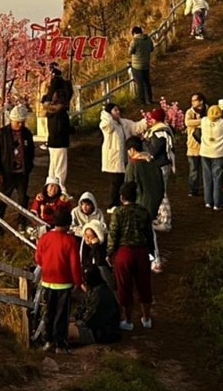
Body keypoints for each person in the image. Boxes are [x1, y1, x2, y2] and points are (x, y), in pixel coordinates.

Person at [107, 181, 156, 330]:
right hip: (141, 251)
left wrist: (110, 252)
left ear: (122, 197)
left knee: (124, 287)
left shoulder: (118, 213)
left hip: (124, 252)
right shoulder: (143, 211)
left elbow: (113, 234)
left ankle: (128, 321)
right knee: (144, 285)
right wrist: (151, 252)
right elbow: (149, 234)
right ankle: (146, 318)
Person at [34, 206, 83, 353]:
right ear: (68, 224)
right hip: (64, 283)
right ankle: (60, 344)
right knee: (62, 315)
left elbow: (38, 258)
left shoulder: (45, 238)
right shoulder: (70, 241)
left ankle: (48, 341)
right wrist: (77, 282)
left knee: (49, 312)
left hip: (48, 281)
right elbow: (75, 264)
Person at [0, 105, 35, 238]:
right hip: (6, 173)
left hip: (22, 173)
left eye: (22, 122)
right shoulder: (1, 134)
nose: (19, 124)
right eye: (17, 122)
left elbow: (31, 152)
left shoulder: (27, 134)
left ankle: (21, 222)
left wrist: (29, 167)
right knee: (1, 200)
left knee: (22, 198)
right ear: (11, 120)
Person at [100, 101, 148, 209]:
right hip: (113, 159)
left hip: (124, 158)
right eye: (115, 110)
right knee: (115, 183)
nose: (118, 112)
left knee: (123, 181)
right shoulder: (106, 124)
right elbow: (108, 125)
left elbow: (136, 127)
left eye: (118, 109)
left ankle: (122, 202)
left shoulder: (124, 123)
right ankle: (112, 205)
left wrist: (147, 120)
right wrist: (106, 115)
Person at [68, 266, 122, 346]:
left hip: (102, 332)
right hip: (102, 329)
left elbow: (90, 319)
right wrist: (75, 318)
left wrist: (75, 323)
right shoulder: (98, 290)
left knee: (66, 330)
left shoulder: (98, 295)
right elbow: (84, 307)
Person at [200, 102, 223, 211]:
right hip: (218, 153)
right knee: (217, 178)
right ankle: (218, 203)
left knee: (207, 177)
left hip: (205, 152)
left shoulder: (204, 121)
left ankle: (208, 201)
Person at [124, 136, 164, 219]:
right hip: (155, 201)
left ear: (132, 150)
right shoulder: (153, 162)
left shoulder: (133, 165)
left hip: (139, 204)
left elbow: (128, 186)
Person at [43, 90, 72, 194]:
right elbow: (62, 128)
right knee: (61, 168)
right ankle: (60, 189)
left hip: (52, 142)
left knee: (53, 167)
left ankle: (49, 187)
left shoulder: (50, 113)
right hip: (60, 143)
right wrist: (71, 130)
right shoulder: (61, 114)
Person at [144, 108, 176, 197]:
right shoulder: (163, 129)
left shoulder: (160, 131)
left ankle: (164, 210)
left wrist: (146, 142)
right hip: (162, 163)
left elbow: (154, 149)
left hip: (161, 164)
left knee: (160, 191)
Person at [184, 92, 208, 198]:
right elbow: (188, 123)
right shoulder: (189, 112)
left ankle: (205, 188)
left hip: (206, 145)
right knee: (194, 170)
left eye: (195, 100)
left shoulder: (208, 110)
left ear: (201, 101)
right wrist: (202, 121)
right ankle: (193, 189)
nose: (192, 102)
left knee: (204, 169)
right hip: (193, 145)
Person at [128, 27, 154, 105]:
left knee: (139, 84)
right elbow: (152, 49)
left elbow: (130, 52)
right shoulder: (148, 39)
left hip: (137, 66)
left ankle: (142, 101)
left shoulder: (135, 41)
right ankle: (149, 99)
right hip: (146, 64)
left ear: (134, 33)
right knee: (147, 82)